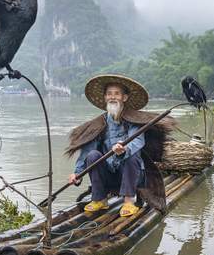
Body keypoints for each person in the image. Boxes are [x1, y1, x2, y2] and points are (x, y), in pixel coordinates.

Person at [65, 74, 175, 217]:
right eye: (109, 94)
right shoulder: (100, 122)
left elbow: (138, 141)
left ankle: (129, 201)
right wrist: (77, 173)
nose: (112, 97)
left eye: (117, 94)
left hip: (131, 175)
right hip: (110, 175)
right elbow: (87, 150)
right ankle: (100, 199)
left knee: (132, 154)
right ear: (105, 97)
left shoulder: (134, 119)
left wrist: (124, 149)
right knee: (93, 155)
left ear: (124, 97)